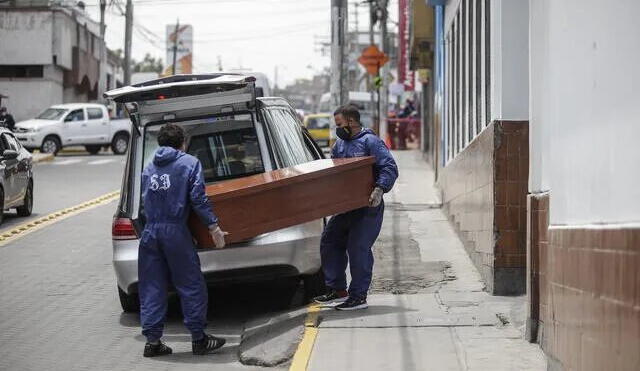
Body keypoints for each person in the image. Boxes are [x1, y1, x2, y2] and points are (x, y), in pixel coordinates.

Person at [138, 123, 227, 357]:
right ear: (183, 143)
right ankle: (199, 339)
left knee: (152, 287)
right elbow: (198, 197)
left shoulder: (148, 168)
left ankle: (153, 343)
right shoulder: (189, 163)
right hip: (174, 232)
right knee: (190, 284)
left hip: (150, 233)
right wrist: (214, 227)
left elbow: (143, 203)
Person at [314, 104, 399, 310]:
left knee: (358, 248)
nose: (338, 128)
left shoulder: (371, 142)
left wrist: (379, 189)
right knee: (329, 240)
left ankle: (359, 296)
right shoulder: (339, 145)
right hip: (346, 206)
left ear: (351, 121)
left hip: (368, 205)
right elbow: (335, 172)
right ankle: (337, 289)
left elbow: (389, 167)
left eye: (340, 124)